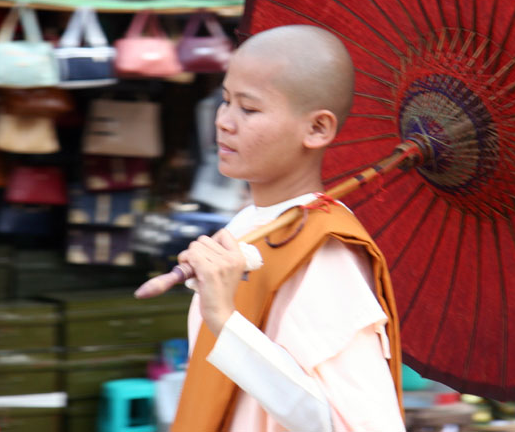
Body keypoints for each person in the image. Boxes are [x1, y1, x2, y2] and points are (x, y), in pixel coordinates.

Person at [172, 25, 405, 432]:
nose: (225, 122)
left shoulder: (324, 250)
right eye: (225, 101)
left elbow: (353, 425)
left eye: (249, 109)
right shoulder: (248, 225)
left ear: (317, 129)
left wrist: (226, 321)